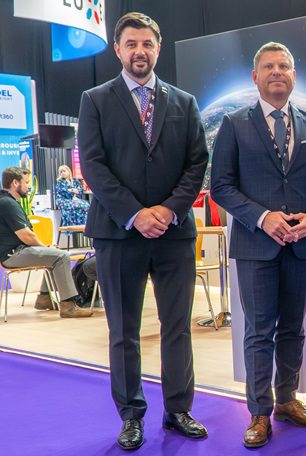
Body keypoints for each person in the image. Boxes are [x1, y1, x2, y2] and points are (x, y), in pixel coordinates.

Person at [77, 12, 209, 451]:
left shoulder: (184, 102)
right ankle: (131, 415)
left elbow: (197, 163)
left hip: (174, 233)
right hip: (118, 233)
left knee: (178, 328)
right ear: (117, 49)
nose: (139, 51)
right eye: (131, 43)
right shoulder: (95, 100)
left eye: (147, 43)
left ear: (158, 47)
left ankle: (178, 409)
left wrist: (168, 211)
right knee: (123, 331)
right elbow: (93, 166)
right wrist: (136, 214)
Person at [211, 42, 306, 448]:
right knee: (259, 332)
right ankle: (259, 412)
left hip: (301, 245)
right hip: (255, 246)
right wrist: (263, 217)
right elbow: (221, 187)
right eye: (269, 66)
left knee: (293, 329)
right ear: (256, 77)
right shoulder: (234, 124)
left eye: (284, 66)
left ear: (294, 75)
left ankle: (286, 399)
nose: (277, 72)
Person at [0, 167, 92, 318]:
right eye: (26, 182)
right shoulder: (7, 203)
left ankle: (44, 298)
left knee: (53, 256)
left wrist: (47, 248)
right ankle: (69, 306)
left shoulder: (7, 201)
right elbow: (26, 235)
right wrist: (45, 246)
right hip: (13, 254)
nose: (29, 186)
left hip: (15, 252)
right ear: (15, 183)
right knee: (61, 256)